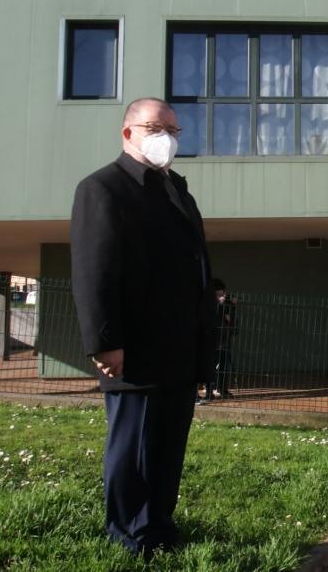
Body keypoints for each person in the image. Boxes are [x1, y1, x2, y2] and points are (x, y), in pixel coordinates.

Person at [70, 97, 218, 559]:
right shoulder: (103, 188)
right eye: (156, 127)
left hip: (180, 347)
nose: (166, 138)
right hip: (134, 349)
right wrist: (106, 342)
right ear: (128, 132)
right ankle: (129, 534)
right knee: (134, 446)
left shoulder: (176, 188)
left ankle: (158, 525)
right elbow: (94, 272)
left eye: (174, 131)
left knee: (168, 445)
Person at [200, 277, 236, 401]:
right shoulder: (210, 304)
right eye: (220, 294)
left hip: (224, 341)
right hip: (213, 341)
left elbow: (230, 320)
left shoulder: (226, 304)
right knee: (212, 367)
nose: (223, 296)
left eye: (223, 293)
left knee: (224, 368)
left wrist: (229, 305)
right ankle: (209, 392)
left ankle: (223, 389)